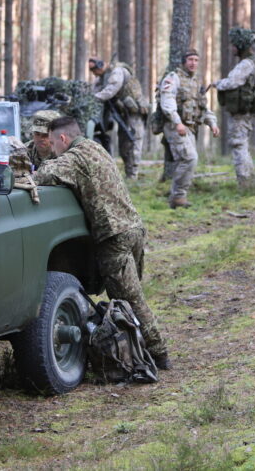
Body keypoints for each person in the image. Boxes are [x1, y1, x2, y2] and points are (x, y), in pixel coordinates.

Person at [34, 116, 170, 368]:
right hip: (134, 228)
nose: (51, 148)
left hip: (114, 237)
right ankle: (139, 347)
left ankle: (158, 354)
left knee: (129, 301)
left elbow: (43, 174)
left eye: (52, 143)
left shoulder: (74, 158)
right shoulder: (96, 147)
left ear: (63, 139)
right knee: (131, 297)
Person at [159, 49, 219, 209]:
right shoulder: (173, 78)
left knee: (187, 160)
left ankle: (177, 197)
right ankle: (177, 196)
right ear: (184, 62)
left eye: (196, 60)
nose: (193, 63)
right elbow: (167, 101)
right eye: (190, 60)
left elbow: (203, 107)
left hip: (190, 127)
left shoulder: (196, 83)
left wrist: (212, 123)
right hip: (175, 126)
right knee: (189, 158)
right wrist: (177, 122)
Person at [213, 28, 255, 188]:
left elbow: (232, 82)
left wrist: (217, 84)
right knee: (242, 144)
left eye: (234, 45)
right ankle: (249, 181)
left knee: (238, 144)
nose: (232, 48)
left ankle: (245, 183)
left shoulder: (246, 64)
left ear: (241, 46)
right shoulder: (254, 61)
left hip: (241, 112)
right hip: (246, 111)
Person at [89, 57, 148, 179]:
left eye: (94, 69)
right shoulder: (102, 77)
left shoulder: (117, 71)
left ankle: (133, 174)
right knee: (124, 144)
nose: (93, 73)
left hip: (134, 112)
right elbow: (95, 90)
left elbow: (110, 90)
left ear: (100, 65)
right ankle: (129, 173)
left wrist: (94, 98)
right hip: (123, 112)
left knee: (134, 142)